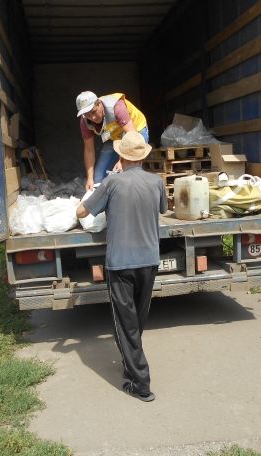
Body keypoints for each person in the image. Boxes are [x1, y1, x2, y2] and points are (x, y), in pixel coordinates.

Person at [76, 131, 167, 402]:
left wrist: (84, 199)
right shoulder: (156, 182)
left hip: (121, 263)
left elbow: (82, 212)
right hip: (149, 261)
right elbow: (163, 209)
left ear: (121, 156)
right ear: (142, 157)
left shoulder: (112, 183)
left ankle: (140, 383)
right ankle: (131, 365)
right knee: (136, 321)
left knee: (125, 324)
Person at [75, 91, 149, 190]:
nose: (92, 117)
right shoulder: (85, 121)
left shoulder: (116, 107)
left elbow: (132, 135)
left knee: (129, 170)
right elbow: (89, 150)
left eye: (94, 112)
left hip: (135, 131)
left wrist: (122, 161)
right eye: (87, 115)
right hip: (114, 135)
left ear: (99, 103)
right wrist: (89, 178)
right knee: (98, 178)